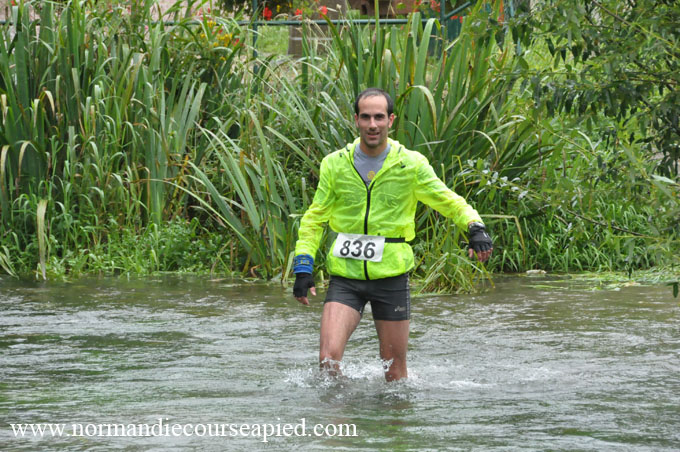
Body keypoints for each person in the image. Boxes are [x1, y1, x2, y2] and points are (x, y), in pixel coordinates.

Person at [292, 88, 493, 381]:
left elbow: (448, 200)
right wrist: (303, 265)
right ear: (356, 120)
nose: (372, 125)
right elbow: (314, 219)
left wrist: (475, 226)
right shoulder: (334, 164)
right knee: (328, 361)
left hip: (391, 278)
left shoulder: (410, 164)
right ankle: (340, 410)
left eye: (379, 117)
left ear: (391, 120)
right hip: (346, 277)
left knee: (394, 373)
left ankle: (391, 413)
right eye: (365, 117)